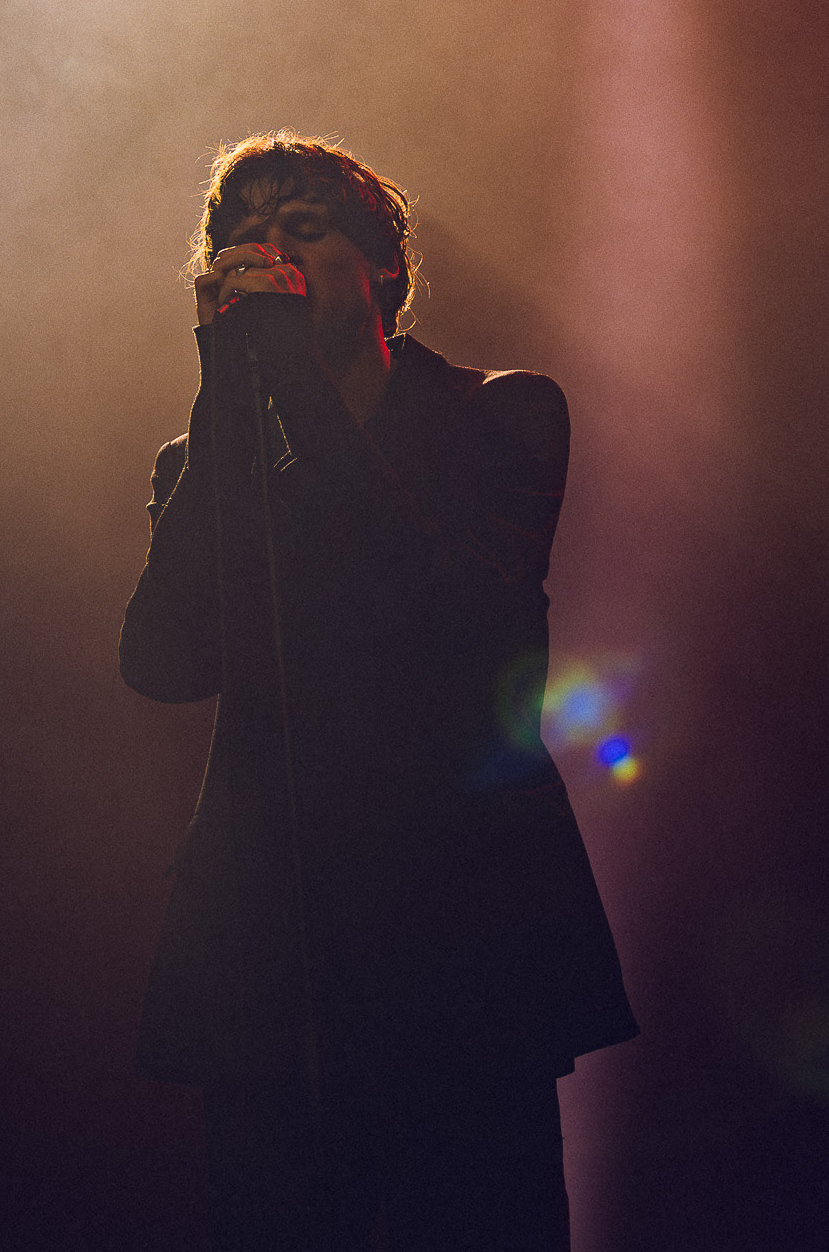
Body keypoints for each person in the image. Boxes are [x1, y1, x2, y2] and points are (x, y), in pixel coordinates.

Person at [120, 134, 636, 1252]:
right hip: (269, 935)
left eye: (303, 228)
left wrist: (294, 385)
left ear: (384, 266)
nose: (269, 254)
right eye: (242, 238)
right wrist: (224, 400)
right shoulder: (211, 456)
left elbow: (453, 622)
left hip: (463, 917)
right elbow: (162, 661)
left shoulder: (501, 411)